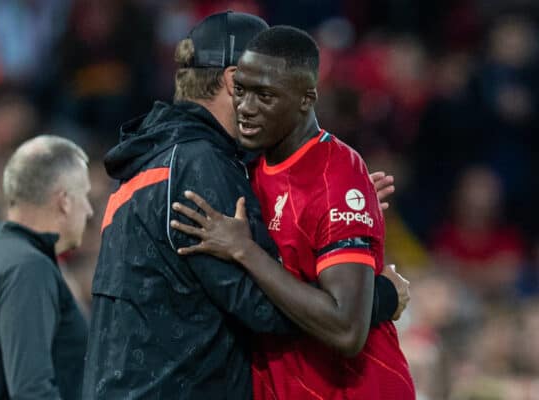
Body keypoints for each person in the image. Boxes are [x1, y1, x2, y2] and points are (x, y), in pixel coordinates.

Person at [83, 11, 407, 400]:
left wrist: (326, 205)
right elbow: (261, 308)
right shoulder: (202, 165)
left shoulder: (148, 160)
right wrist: (379, 298)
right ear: (236, 79)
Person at [170, 26, 415, 399]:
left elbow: (346, 330)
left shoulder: (337, 174)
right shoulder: (250, 171)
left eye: (265, 95)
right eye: (242, 91)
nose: (246, 107)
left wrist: (245, 251)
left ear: (306, 99)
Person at [0, 135, 93, 400]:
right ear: (64, 201)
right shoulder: (27, 267)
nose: (88, 210)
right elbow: (31, 391)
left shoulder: (0, 254)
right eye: (84, 195)